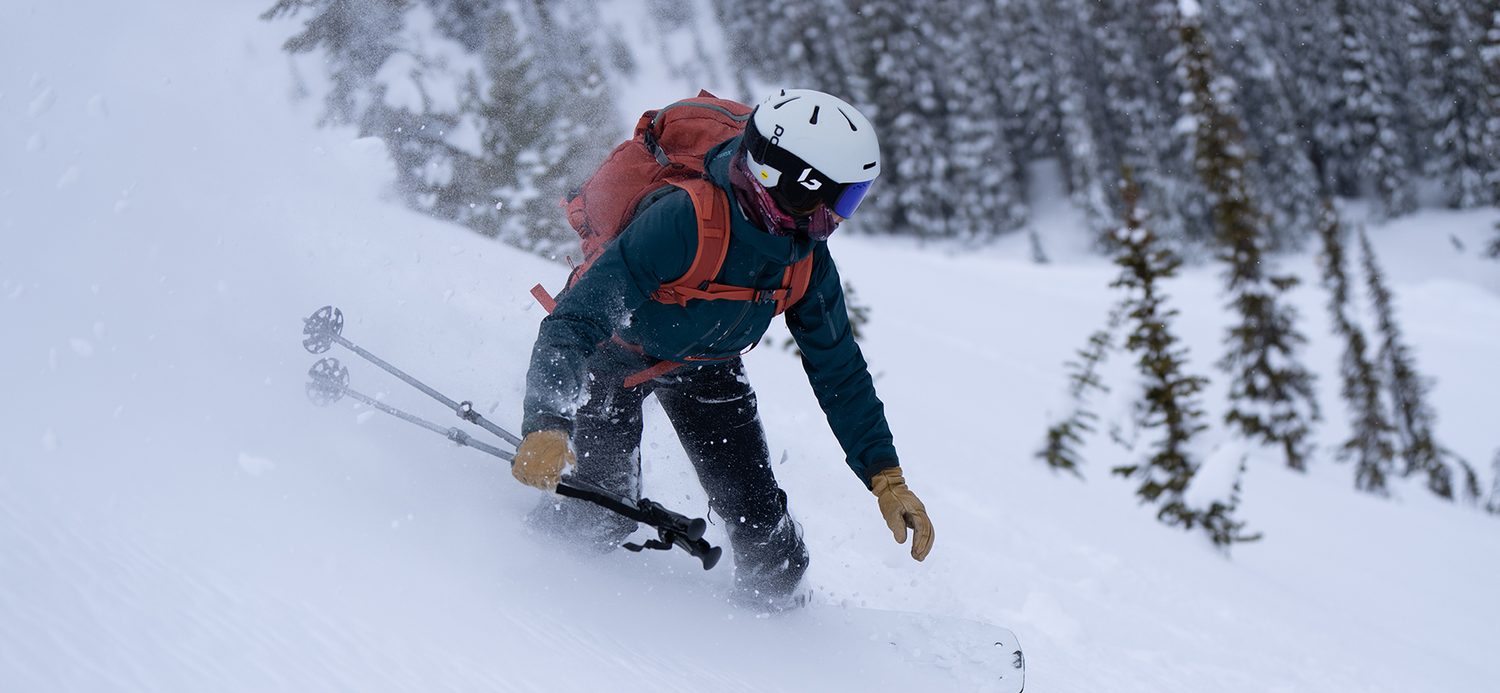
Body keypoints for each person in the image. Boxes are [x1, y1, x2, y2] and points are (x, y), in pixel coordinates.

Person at [511, 89, 934, 610]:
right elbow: (577, 320)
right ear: (790, 183)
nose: (837, 217)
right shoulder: (684, 221)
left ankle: (775, 655)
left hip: (707, 370)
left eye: (850, 199)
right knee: (599, 513)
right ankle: (522, 597)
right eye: (836, 199)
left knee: (773, 555)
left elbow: (839, 369)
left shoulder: (804, 260)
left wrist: (884, 475)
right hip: (613, 357)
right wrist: (547, 421)